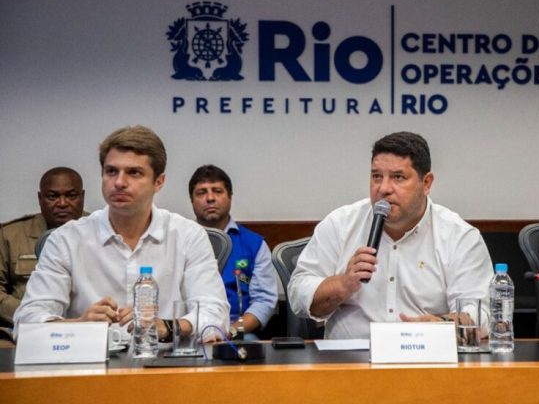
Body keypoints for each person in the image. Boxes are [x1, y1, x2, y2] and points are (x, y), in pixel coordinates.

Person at [15, 126, 229, 342]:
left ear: (159, 182)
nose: (119, 182)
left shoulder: (188, 236)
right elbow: (26, 323)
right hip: (89, 366)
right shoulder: (66, 240)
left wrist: (165, 327)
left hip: (166, 365)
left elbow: (216, 318)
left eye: (134, 173)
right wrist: (79, 325)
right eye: (111, 171)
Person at [288, 131, 494, 339]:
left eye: (398, 177)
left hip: (425, 359)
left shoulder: (459, 236)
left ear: (427, 183)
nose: (384, 189)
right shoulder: (341, 224)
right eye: (377, 176)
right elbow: (298, 294)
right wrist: (341, 284)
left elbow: (482, 314)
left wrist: (441, 325)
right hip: (349, 362)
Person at [189, 164, 278, 339]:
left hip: (237, 331)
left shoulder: (254, 244)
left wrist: (230, 331)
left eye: (217, 191)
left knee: (250, 346)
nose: (210, 198)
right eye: (201, 192)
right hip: (189, 330)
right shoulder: (180, 240)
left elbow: (264, 301)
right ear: (191, 200)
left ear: (230, 197)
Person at [0, 167, 86, 326]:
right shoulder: (10, 236)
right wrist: (31, 314)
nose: (62, 203)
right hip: (24, 330)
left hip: (89, 325)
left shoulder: (101, 231)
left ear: (82, 197)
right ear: (40, 198)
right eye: (52, 196)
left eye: (71, 196)